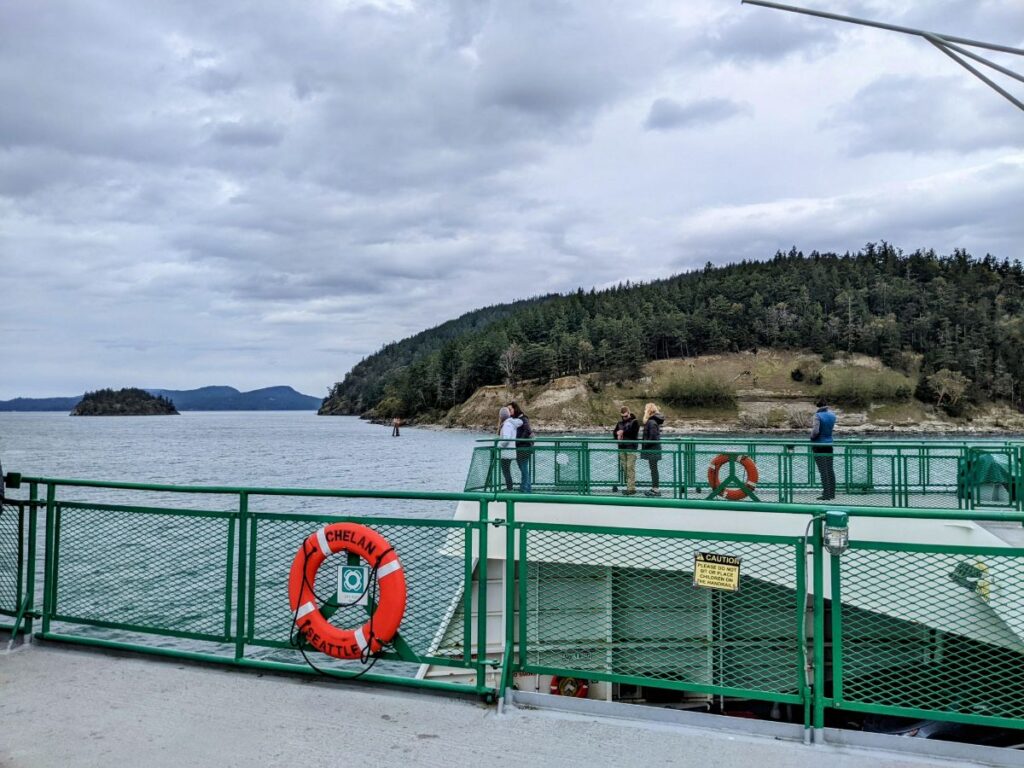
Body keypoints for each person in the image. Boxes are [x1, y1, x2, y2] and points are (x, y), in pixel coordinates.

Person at [810, 398, 837, 500]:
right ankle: (832, 493)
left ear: (818, 406)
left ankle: (826, 494)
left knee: (823, 470)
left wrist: (811, 437)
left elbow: (816, 431)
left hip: (819, 445)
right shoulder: (832, 415)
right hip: (829, 444)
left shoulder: (817, 416)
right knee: (830, 469)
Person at [507, 401, 533, 493]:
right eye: (508, 410)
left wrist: (518, 441)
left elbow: (528, 431)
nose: (509, 411)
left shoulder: (523, 418)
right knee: (522, 468)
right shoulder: (515, 419)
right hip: (520, 448)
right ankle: (526, 488)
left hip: (524, 447)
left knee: (524, 468)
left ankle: (525, 489)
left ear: (515, 409)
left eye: (510, 409)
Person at [613, 406, 640, 495]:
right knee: (625, 468)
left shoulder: (635, 422)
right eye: (622, 416)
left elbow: (633, 433)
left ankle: (631, 489)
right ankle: (629, 487)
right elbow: (614, 433)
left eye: (625, 416)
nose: (624, 418)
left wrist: (623, 432)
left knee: (630, 468)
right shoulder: (619, 423)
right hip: (621, 448)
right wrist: (617, 433)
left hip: (631, 448)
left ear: (629, 413)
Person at [641, 402, 665, 496]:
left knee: (654, 469)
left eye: (645, 409)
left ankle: (656, 489)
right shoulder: (653, 421)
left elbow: (652, 437)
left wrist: (644, 444)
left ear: (648, 411)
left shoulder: (651, 422)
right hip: (653, 449)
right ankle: (655, 488)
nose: (644, 411)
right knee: (653, 469)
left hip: (653, 449)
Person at [498, 406, 523, 492]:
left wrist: (499, 445)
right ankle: (510, 488)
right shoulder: (512, 423)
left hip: (506, 453)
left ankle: (510, 489)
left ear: (501, 416)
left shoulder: (507, 425)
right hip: (511, 451)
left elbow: (506, 439)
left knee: (506, 471)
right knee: (507, 471)